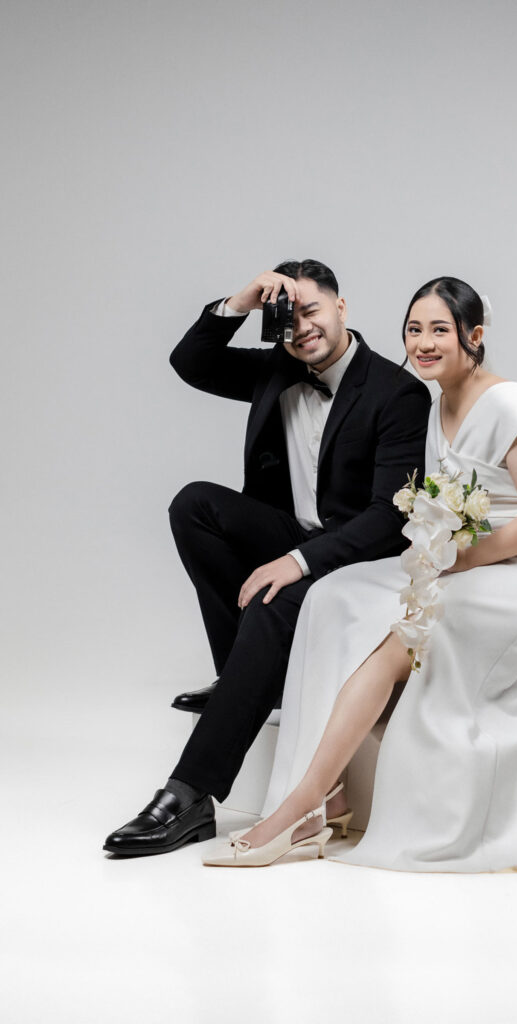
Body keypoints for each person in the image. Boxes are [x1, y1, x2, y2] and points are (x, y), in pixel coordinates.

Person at [202, 276, 517, 872]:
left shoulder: (508, 403)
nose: (423, 343)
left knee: (398, 638)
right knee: (331, 594)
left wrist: (459, 558)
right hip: (457, 561)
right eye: (413, 329)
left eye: (440, 330)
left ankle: (299, 809)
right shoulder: (434, 404)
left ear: (474, 336)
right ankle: (332, 793)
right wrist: (440, 549)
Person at [103, 259, 431, 857]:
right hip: (290, 533)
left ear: (341, 308)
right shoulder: (277, 370)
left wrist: (299, 562)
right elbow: (190, 362)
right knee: (193, 505)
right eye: (288, 317)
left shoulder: (397, 392)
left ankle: (191, 794)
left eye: (312, 311)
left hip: (359, 555)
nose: (302, 329)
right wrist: (243, 300)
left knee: (274, 602)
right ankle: (244, 674)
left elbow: (389, 516)